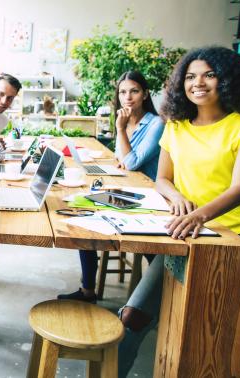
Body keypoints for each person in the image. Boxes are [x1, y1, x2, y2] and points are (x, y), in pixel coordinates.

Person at [117, 46, 240, 377]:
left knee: (219, 338)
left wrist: (198, 214)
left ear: (227, 79)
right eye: (190, 76)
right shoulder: (176, 126)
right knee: (132, 317)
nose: (198, 83)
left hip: (235, 238)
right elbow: (162, 178)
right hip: (184, 233)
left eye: (209, 74)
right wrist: (176, 198)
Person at [58, 70, 165, 303]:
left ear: (145, 94)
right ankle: (87, 290)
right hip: (125, 188)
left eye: (134, 91)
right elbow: (121, 159)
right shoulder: (126, 121)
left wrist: (119, 129)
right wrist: (123, 142)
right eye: (123, 92)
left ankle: (159, 295)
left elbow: (131, 162)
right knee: (83, 215)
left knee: (151, 249)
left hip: (149, 198)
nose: (128, 97)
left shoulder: (156, 123)